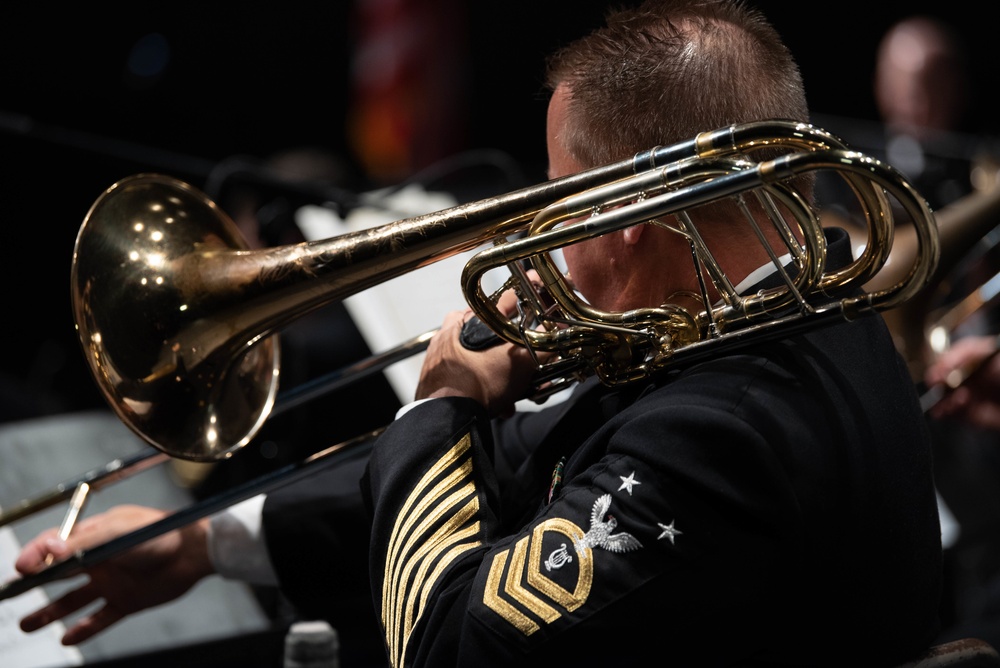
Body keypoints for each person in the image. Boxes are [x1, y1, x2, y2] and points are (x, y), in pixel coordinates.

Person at [10, 1, 944, 665]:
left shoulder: (724, 425)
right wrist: (203, 543)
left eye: (557, 192)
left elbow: (446, 644)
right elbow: (513, 474)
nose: (546, 238)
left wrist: (443, 399)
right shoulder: (795, 318)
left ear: (625, 209)